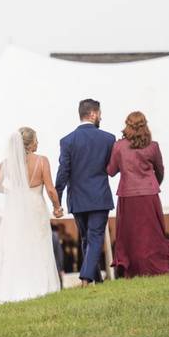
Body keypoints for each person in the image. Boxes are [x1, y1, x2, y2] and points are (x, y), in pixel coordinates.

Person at [0, 127, 63, 303]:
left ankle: (16, 285)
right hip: (36, 209)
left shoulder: (7, 164)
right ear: (31, 143)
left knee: (17, 245)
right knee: (39, 245)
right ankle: (41, 284)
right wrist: (57, 207)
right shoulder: (42, 161)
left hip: (16, 212)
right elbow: (50, 189)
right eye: (36, 140)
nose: (38, 143)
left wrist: (15, 191)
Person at [105, 112, 169, 277]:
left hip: (128, 196)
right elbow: (160, 170)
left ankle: (133, 270)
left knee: (131, 236)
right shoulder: (153, 146)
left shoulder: (119, 146)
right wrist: (152, 184)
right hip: (149, 195)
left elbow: (111, 171)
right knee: (152, 234)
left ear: (127, 125)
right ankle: (154, 266)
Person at [55, 98, 116, 285]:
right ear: (93, 114)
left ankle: (95, 277)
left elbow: (63, 172)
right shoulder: (108, 139)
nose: (101, 117)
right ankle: (87, 277)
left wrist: (57, 199)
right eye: (100, 114)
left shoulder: (67, 141)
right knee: (95, 237)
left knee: (86, 238)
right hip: (99, 196)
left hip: (78, 198)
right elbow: (111, 168)